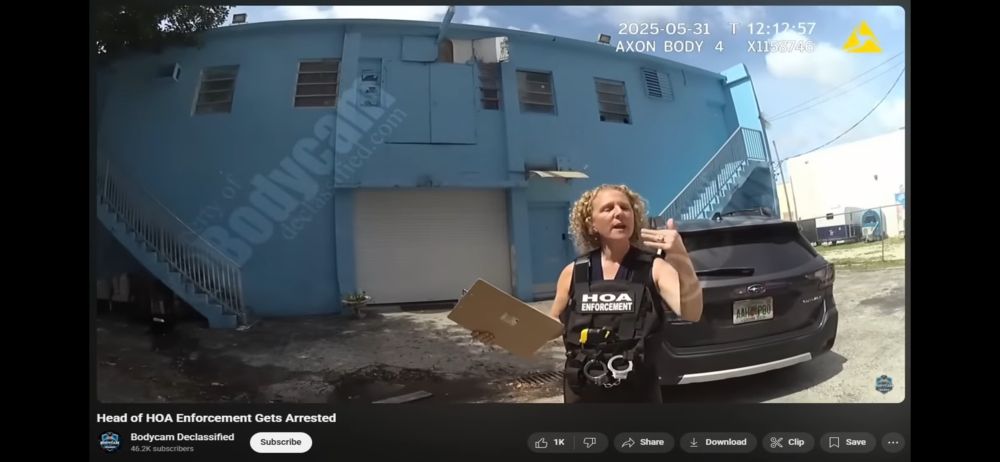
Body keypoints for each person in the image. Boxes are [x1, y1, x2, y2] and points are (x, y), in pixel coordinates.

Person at [472, 184, 703, 403]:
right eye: (608, 208)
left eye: (625, 208)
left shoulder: (654, 268)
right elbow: (552, 326)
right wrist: (501, 332)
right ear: (592, 223)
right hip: (583, 391)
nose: (619, 213)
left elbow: (692, 313)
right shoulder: (574, 272)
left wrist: (680, 256)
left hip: (638, 392)